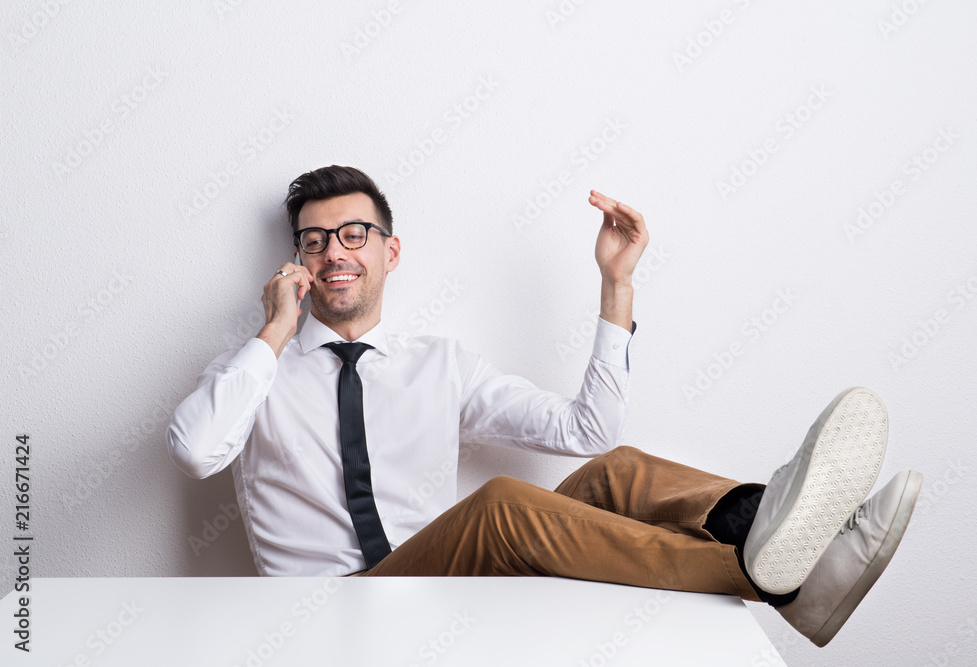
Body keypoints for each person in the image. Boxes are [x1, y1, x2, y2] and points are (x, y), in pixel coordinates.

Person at [167, 165, 922, 648]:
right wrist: (273, 331)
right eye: (315, 240)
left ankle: (768, 525)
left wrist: (615, 286)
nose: (336, 251)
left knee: (616, 469)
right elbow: (196, 450)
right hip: (327, 625)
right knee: (499, 505)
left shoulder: (440, 364)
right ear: (296, 262)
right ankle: (779, 579)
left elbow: (588, 428)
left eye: (355, 234)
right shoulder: (253, 373)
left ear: (389, 252)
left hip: (438, 599)